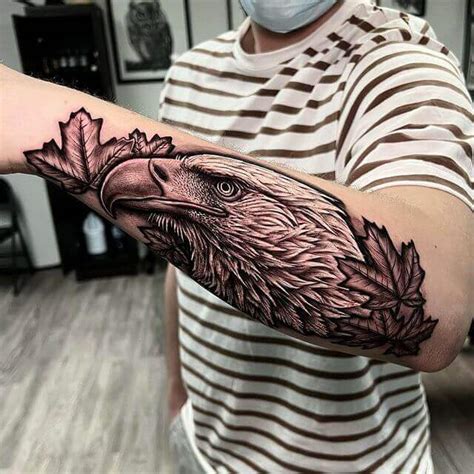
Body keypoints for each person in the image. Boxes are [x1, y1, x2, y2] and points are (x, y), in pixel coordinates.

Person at [0, 0, 471, 472]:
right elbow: (181, 263)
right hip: (203, 445)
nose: (155, 176)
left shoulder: (399, 61)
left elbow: (438, 313)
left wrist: (37, 119)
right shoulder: (188, 73)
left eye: (226, 189)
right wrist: (178, 391)